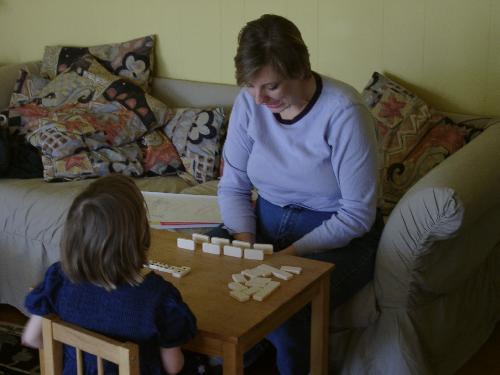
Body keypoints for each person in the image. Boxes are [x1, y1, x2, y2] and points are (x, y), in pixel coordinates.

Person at [213, 14, 384, 375]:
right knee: (205, 276)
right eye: (250, 86)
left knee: (284, 304)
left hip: (338, 236)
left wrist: (286, 257)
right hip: (266, 221)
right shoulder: (249, 102)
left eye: (272, 87)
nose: (258, 99)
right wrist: (244, 244)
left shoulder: (344, 112)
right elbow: (233, 185)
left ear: (301, 69)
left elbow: (356, 214)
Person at [22, 174, 197, 375]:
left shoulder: (58, 279)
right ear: (137, 237)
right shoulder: (158, 297)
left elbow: (31, 338)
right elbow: (173, 367)